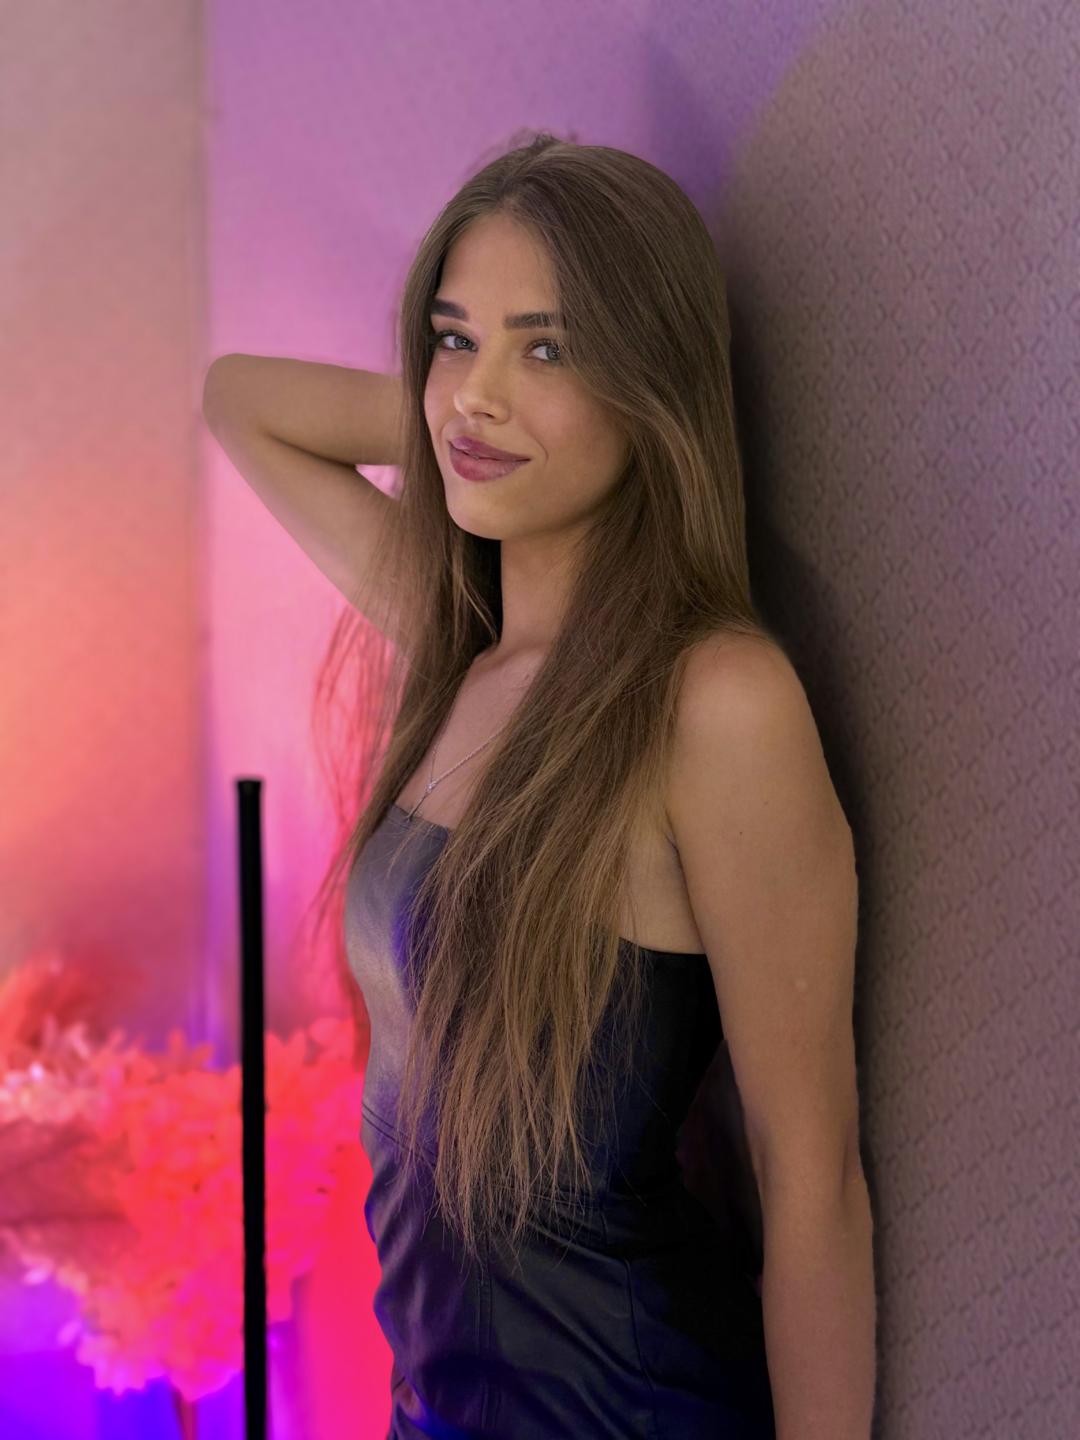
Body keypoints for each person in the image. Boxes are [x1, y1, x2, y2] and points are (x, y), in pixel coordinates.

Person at [203, 130, 876, 1440]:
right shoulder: (459, 646)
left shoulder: (713, 703)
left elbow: (815, 1185)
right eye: (455, 339)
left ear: (651, 386)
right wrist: (464, 409)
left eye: (549, 348)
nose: (478, 393)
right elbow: (240, 399)